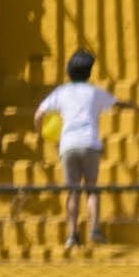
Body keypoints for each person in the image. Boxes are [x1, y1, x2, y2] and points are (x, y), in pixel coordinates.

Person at [33, 49, 105, 249]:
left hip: (68, 144)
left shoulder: (61, 92)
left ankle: (72, 234)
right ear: (89, 73)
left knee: (72, 191)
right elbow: (118, 104)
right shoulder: (94, 92)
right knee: (91, 188)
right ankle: (94, 229)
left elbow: (38, 115)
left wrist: (43, 133)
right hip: (90, 143)